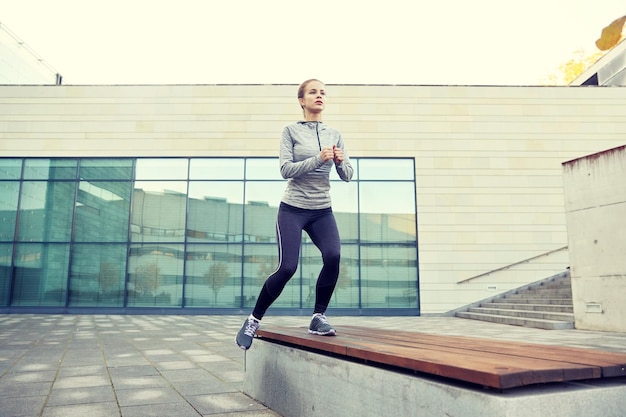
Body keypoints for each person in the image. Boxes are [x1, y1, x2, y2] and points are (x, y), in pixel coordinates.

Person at [236, 79, 354, 350]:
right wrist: (318, 159)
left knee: (333, 256)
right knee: (287, 267)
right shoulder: (290, 131)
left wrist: (338, 162)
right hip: (292, 209)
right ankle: (254, 320)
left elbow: (348, 175)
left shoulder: (334, 133)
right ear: (302, 100)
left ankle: (317, 317)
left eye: (323, 92)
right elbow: (285, 170)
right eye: (313, 92)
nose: (319, 96)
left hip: (322, 210)